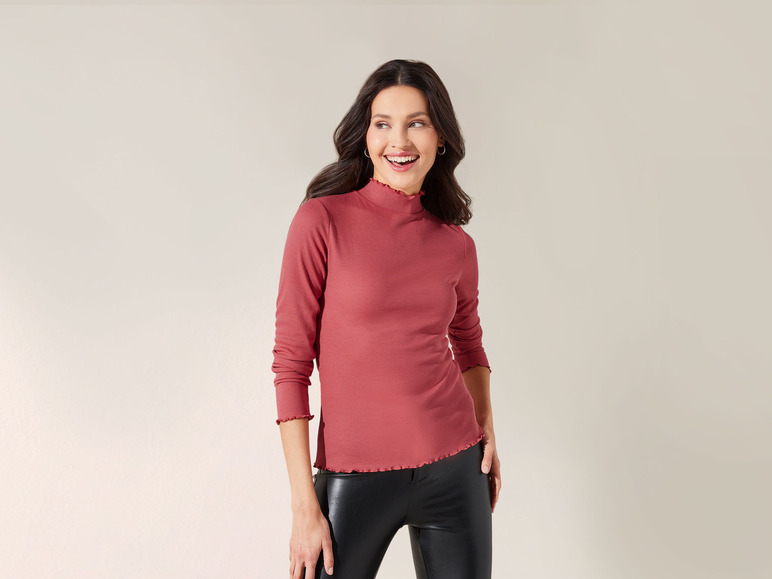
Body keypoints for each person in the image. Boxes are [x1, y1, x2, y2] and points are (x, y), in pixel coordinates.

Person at [271, 59, 501, 579]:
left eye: (417, 123)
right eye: (383, 124)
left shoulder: (456, 244)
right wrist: (304, 506)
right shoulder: (320, 222)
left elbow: (468, 342)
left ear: (440, 137)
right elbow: (291, 364)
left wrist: (486, 426)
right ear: (366, 135)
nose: (399, 140)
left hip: (455, 468)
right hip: (353, 475)